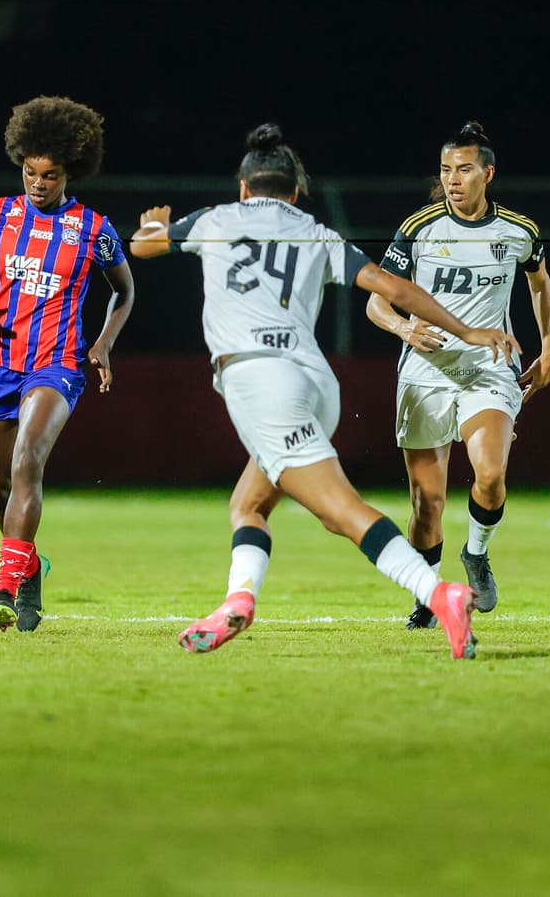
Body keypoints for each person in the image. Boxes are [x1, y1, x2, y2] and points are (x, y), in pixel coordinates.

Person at [131, 122, 522, 660]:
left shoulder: (216, 220)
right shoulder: (316, 231)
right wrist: (468, 330)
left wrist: (155, 225)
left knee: (341, 512)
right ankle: (237, 600)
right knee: (248, 505)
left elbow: (142, 248)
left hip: (262, 381)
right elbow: (396, 288)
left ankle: (439, 593)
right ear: (294, 193)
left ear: (244, 188)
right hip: (315, 382)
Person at [0, 95, 134, 633]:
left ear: (70, 172)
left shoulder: (93, 229)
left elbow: (124, 292)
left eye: (49, 175)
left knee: (28, 458)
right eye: (30, 172)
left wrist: (102, 344)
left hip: (56, 365)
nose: (37, 182)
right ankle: (28, 570)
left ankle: (4, 589)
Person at [366, 120, 550, 628]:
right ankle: (428, 598)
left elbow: (539, 283)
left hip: (489, 369)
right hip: (425, 373)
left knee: (490, 475)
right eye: (446, 169)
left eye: (464, 169)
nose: (453, 179)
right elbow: (376, 303)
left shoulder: (518, 231)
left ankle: (476, 555)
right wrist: (404, 330)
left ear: (487, 173)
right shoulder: (420, 228)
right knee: (427, 502)